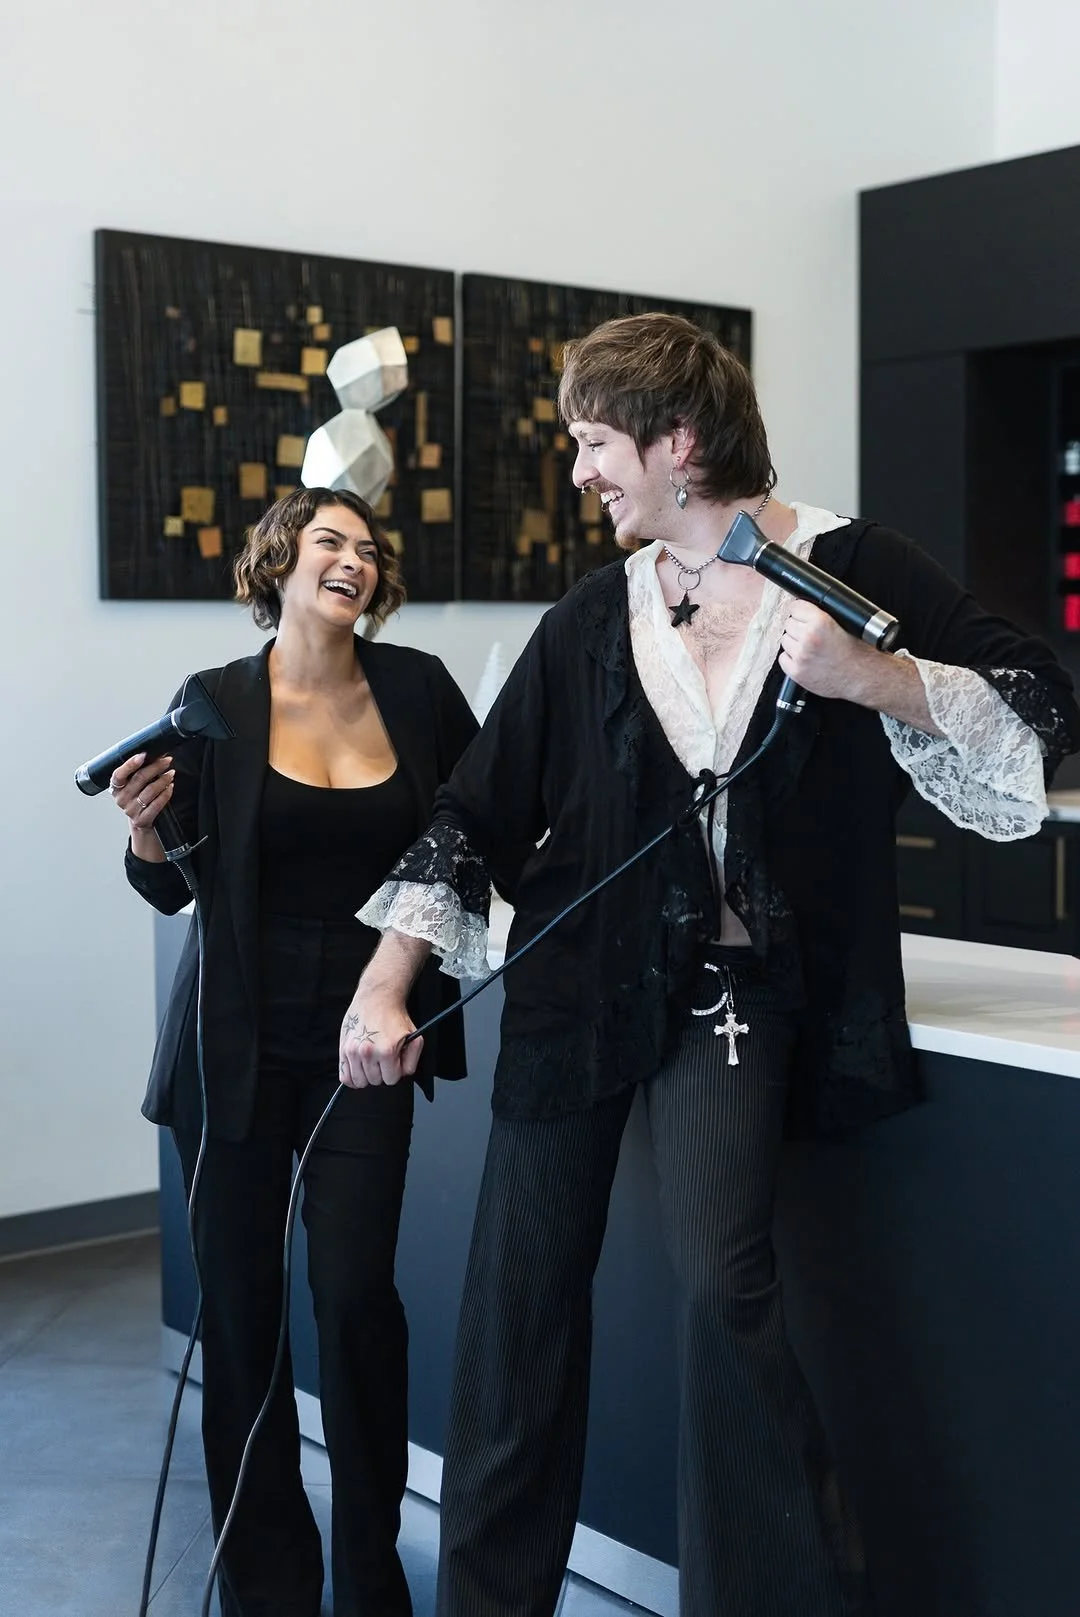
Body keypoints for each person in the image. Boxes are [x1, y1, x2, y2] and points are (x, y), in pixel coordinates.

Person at [337, 314, 1080, 1617]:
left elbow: (1041, 698)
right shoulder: (592, 617)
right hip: (576, 990)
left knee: (723, 1297)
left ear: (679, 445)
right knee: (520, 1302)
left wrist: (880, 676)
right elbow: (478, 808)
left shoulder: (853, 566)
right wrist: (385, 980)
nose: (581, 474)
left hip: (737, 1005)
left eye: (594, 445)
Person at [111, 487, 478, 1617]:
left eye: (368, 549)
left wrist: (406, 984)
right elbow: (172, 884)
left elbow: (478, 836)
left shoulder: (418, 692)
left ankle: (374, 1586)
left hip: (368, 1031)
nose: (354, 561)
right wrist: (142, 829)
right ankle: (269, 1587)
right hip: (235, 1039)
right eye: (330, 541)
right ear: (278, 561)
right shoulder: (214, 702)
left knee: (359, 1296)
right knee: (242, 1311)